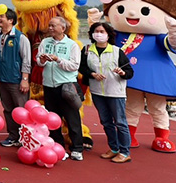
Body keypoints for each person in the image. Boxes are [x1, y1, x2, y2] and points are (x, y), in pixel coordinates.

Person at [80, 21, 134, 163]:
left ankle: (124, 151)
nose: (99, 34)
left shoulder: (117, 51)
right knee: (106, 122)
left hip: (115, 92)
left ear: (108, 34)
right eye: (96, 31)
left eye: (102, 32)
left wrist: (122, 72)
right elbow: (82, 67)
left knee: (120, 122)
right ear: (92, 34)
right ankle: (114, 148)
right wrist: (92, 74)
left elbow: (129, 72)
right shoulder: (87, 50)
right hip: (97, 92)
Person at [36, 16, 84, 161]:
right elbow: (38, 61)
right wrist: (42, 60)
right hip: (49, 85)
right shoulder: (45, 42)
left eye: (53, 26)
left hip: (66, 86)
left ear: (63, 28)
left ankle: (77, 149)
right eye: (49, 26)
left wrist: (58, 60)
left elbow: (74, 66)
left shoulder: (72, 45)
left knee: (72, 118)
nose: (50, 28)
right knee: (53, 118)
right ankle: (58, 147)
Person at [0, 9, 31, 147]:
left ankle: (26, 138)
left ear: (11, 20)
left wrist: (24, 79)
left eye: (2, 17)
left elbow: (26, 60)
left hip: (17, 80)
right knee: (8, 109)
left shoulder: (20, 37)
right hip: (2, 79)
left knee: (21, 110)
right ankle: (13, 136)